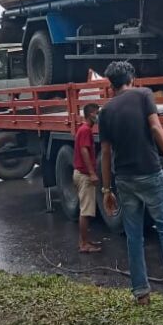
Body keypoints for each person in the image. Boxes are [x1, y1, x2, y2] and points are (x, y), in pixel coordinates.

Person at [99, 61, 163, 310]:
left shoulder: (105, 111)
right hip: (150, 173)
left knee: (134, 237)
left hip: (124, 179)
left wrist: (106, 189)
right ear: (131, 79)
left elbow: (105, 152)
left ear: (110, 85)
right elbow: (156, 128)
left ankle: (141, 293)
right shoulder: (143, 95)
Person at [73, 102, 101, 253]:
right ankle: (84, 244)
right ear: (91, 114)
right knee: (86, 211)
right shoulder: (85, 130)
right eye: (97, 113)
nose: (98, 116)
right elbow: (84, 151)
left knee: (85, 209)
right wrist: (91, 173)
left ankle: (84, 240)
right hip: (84, 175)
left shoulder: (84, 129)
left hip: (81, 174)